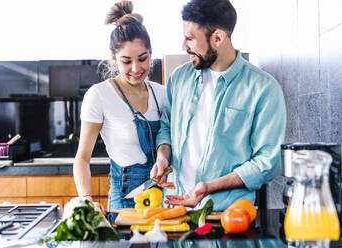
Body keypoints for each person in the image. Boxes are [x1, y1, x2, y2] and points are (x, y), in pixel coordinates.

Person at [151, 0, 286, 211]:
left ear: (218, 38)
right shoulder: (178, 79)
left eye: (190, 38)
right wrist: (162, 157)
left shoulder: (264, 89)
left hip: (226, 216)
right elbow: (166, 129)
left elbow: (266, 164)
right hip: (173, 212)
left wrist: (209, 187)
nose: (183, 46)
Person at [73, 0, 166, 216]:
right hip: (125, 202)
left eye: (143, 58)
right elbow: (82, 158)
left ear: (151, 54)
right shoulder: (99, 95)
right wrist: (86, 200)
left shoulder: (161, 93)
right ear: (113, 58)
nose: (136, 68)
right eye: (126, 61)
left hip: (163, 199)